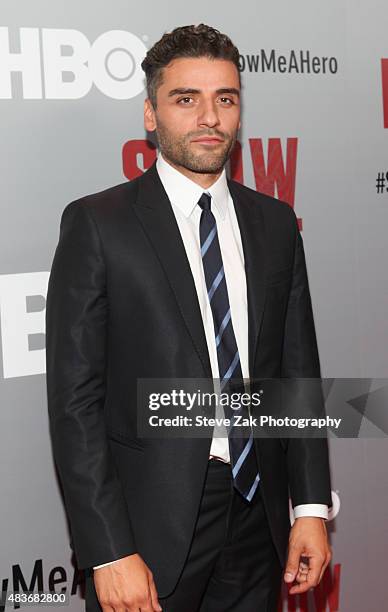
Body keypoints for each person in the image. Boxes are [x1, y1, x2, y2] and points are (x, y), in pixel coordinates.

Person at [45, 23, 332, 612]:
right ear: (151, 114)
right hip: (150, 530)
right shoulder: (99, 225)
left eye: (225, 99)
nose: (210, 117)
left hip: (259, 517)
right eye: (186, 99)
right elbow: (75, 403)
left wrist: (309, 507)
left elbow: (295, 376)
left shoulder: (275, 224)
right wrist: (107, 551)